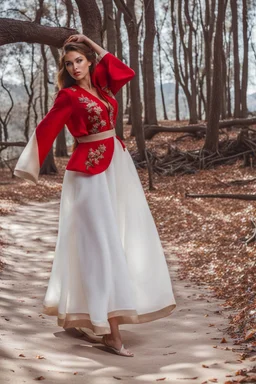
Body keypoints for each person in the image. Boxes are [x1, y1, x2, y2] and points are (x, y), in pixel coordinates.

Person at [14, 34, 176, 357]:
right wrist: (28, 166)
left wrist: (92, 42)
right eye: (69, 63)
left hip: (115, 169)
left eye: (79, 60)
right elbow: (47, 126)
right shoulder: (69, 96)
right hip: (87, 176)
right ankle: (112, 334)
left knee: (117, 239)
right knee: (101, 246)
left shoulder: (102, 88)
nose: (74, 68)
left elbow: (124, 72)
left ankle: (89, 317)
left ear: (89, 61)